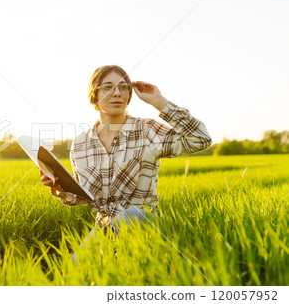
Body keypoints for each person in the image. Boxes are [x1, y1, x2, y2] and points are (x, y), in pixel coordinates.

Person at [40, 65, 212, 262]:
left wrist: (159, 101)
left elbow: (200, 138)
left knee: (128, 217)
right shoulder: (80, 144)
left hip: (144, 219)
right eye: (108, 87)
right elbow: (82, 197)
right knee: (71, 270)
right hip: (105, 226)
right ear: (94, 95)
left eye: (123, 87)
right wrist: (59, 186)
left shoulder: (147, 130)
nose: (117, 93)